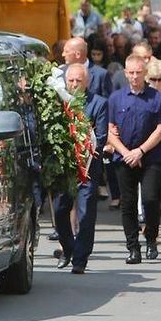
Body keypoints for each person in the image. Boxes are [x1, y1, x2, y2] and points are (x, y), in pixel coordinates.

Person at [107, 54, 161, 264]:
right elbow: (109, 131)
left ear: (145, 74)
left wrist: (140, 151)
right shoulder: (115, 98)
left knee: (151, 199)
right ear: (125, 73)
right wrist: (126, 153)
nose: (134, 76)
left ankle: (151, 238)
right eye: (131, 73)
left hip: (149, 157)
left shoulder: (156, 97)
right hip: (124, 158)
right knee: (128, 204)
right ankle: (133, 247)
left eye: (138, 73)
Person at [52, 63, 109, 273]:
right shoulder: (59, 101)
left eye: (79, 81)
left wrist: (85, 152)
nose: (74, 84)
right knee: (59, 210)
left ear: (87, 82)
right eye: (71, 80)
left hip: (88, 168)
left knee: (85, 215)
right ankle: (68, 248)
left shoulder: (99, 103)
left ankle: (80, 260)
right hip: (65, 168)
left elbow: (101, 137)